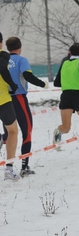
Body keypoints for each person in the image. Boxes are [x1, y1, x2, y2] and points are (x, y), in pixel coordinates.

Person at [1, 37, 48, 177]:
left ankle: (5, 150)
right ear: (20, 47)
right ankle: (24, 166)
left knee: (10, 132)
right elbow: (27, 76)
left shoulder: (3, 58)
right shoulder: (21, 60)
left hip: (5, 99)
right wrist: (43, 84)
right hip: (19, 97)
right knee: (26, 131)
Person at [0, 32, 19, 180]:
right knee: (12, 131)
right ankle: (9, 168)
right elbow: (2, 69)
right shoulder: (4, 56)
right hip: (2, 99)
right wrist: (12, 84)